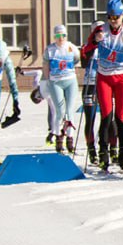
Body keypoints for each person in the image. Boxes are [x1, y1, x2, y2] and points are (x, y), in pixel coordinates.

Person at [81, 0, 123, 172]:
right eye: (110, 17)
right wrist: (95, 41)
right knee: (106, 117)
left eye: (116, 17)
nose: (113, 20)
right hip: (104, 77)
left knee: (121, 118)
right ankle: (103, 156)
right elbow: (86, 52)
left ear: (122, 16)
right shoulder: (100, 30)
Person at [43, 24, 81, 154]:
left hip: (70, 80)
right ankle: (59, 137)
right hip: (55, 82)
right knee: (60, 110)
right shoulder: (50, 49)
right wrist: (47, 80)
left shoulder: (71, 47)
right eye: (58, 36)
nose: (61, 38)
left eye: (63, 35)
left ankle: (69, 138)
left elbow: (77, 60)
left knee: (70, 111)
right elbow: (46, 66)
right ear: (55, 37)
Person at [80, 21, 103, 165]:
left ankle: (108, 149)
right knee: (90, 119)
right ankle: (92, 151)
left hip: (105, 83)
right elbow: (83, 62)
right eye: (96, 31)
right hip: (90, 83)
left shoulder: (110, 45)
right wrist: (93, 45)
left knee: (108, 119)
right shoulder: (87, 46)